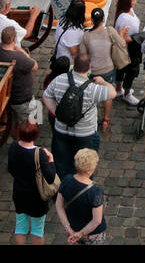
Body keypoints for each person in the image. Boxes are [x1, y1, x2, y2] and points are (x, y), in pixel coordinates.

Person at [42, 47, 115, 180]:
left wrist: (57, 112)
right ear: (89, 67)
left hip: (61, 130)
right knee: (85, 165)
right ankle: (81, 188)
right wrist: (103, 81)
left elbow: (46, 96)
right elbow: (112, 93)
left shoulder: (59, 79)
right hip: (85, 133)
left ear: (73, 65)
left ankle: (61, 190)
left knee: (61, 163)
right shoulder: (93, 88)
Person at [7, 119, 57, 246]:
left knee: (20, 228)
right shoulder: (39, 153)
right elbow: (50, 178)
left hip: (19, 194)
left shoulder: (13, 147)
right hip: (36, 198)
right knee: (37, 230)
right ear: (36, 135)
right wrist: (51, 160)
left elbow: (11, 169)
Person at [0, 24, 39, 138]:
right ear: (14, 39)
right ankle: (23, 143)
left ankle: (15, 139)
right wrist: (23, 52)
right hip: (22, 98)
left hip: (10, 95)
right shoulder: (18, 57)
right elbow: (35, 66)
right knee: (27, 124)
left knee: (15, 121)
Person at [55, 148, 106, 245]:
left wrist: (68, 229)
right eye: (95, 164)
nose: (96, 165)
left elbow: (59, 206)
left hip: (72, 230)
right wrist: (80, 234)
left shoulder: (67, 180)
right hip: (93, 235)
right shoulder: (95, 192)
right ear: (89, 170)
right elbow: (96, 221)